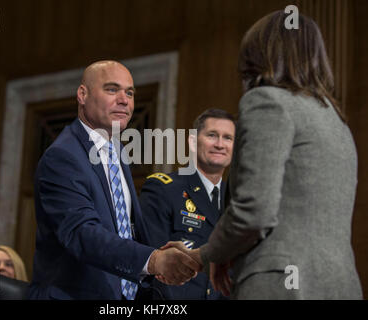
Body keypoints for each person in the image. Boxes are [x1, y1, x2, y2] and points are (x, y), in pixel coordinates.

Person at [165, 10, 363, 300]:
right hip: (341, 285)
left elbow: (254, 211)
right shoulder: (337, 122)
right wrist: (227, 252)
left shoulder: (267, 101)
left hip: (280, 283)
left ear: (258, 54)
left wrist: (203, 255)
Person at [29, 60, 200, 300]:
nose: (124, 100)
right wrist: (153, 261)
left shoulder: (115, 150)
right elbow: (82, 233)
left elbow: (124, 230)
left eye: (129, 92)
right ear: (82, 95)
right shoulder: (63, 156)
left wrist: (161, 253)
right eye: (112, 89)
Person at [139, 108, 235, 299]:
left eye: (228, 138)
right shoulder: (164, 189)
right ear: (192, 141)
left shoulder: (237, 200)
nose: (219, 144)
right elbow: (152, 268)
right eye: (212, 135)